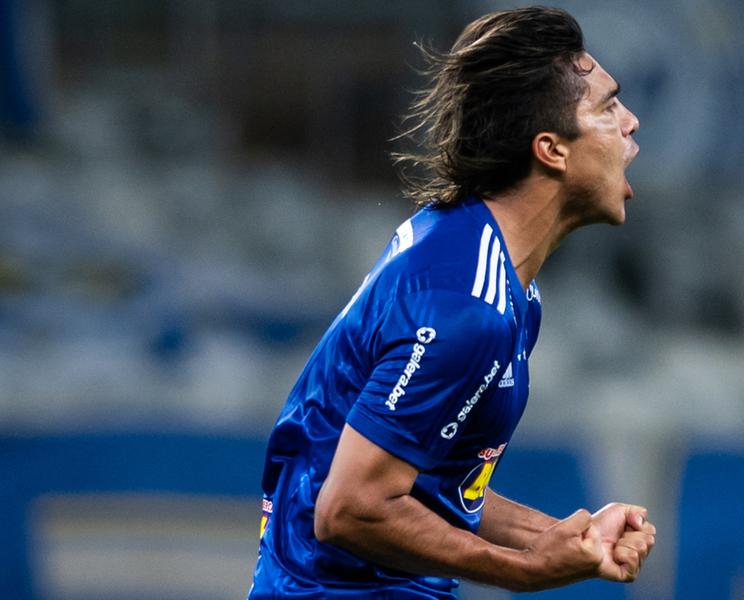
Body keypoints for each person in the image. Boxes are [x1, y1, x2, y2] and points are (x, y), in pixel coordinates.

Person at [249, 6, 653, 598]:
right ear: (552, 150)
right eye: (608, 107)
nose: (632, 122)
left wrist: (564, 537)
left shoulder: (497, 277)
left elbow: (428, 477)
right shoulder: (466, 307)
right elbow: (350, 508)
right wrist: (525, 570)